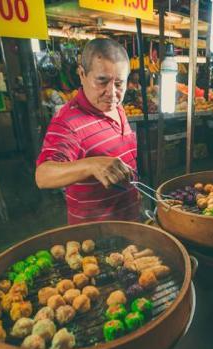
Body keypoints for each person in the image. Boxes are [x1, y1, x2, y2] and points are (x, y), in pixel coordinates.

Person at [35, 38, 139, 224]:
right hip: (96, 234)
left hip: (129, 221)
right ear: (82, 75)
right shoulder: (68, 122)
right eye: (102, 81)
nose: (112, 92)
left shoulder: (116, 106)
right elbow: (43, 176)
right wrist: (92, 165)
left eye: (119, 83)